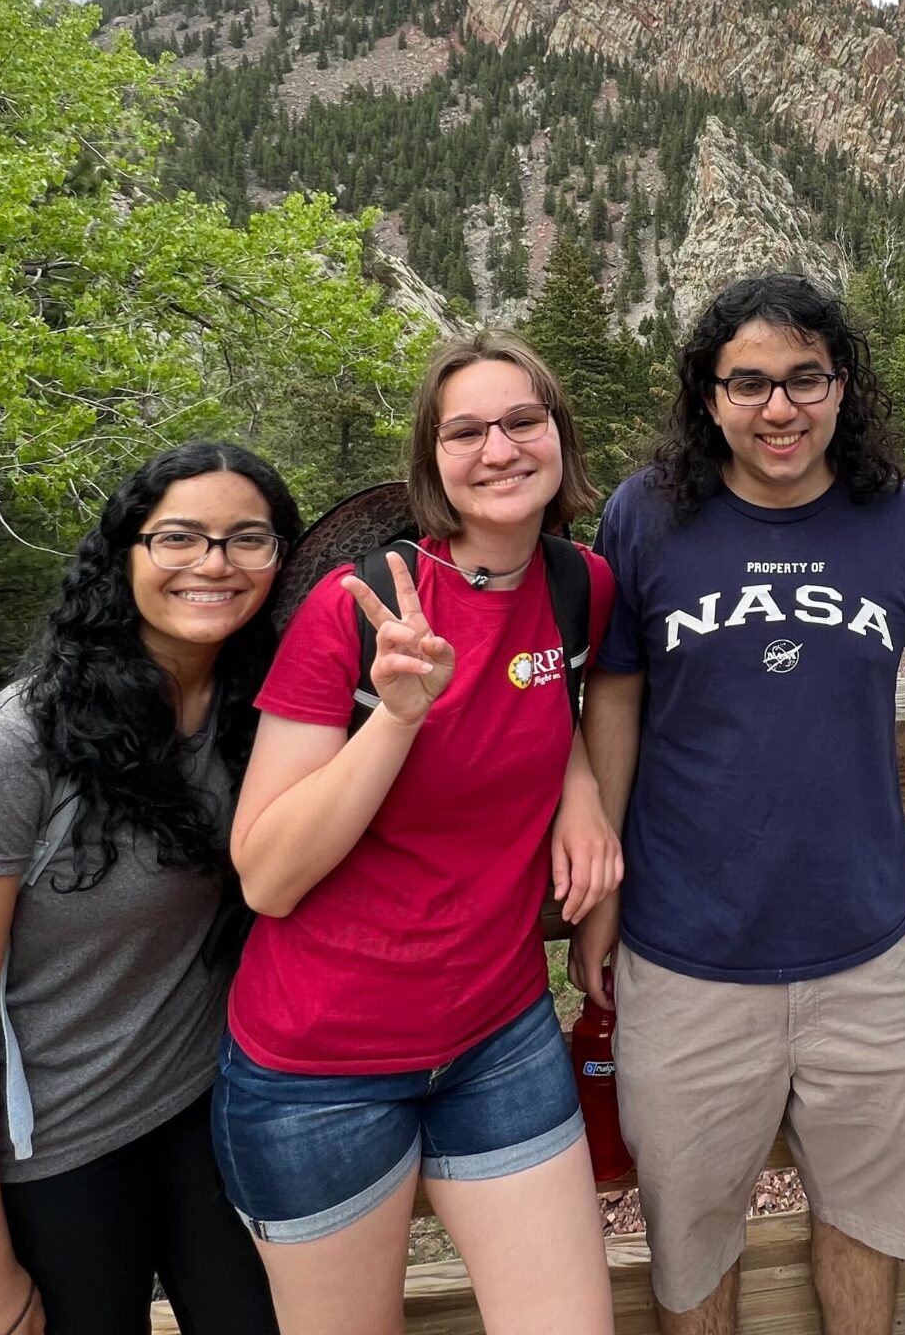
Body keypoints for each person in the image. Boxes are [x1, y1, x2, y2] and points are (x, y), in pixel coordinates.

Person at [572, 272, 905, 1335]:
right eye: (747, 383)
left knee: (868, 1220)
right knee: (691, 1235)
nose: (778, 408)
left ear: (844, 388)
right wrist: (601, 884)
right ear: (707, 395)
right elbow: (612, 691)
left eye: (805, 379)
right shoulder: (647, 516)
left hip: (868, 949)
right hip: (684, 949)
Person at [213, 333, 621, 1335]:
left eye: (522, 422)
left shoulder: (580, 588)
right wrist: (396, 716)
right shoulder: (354, 614)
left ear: (559, 438)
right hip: (322, 1064)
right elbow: (266, 874)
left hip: (500, 1036)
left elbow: (530, 695)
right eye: (466, 431)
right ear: (430, 462)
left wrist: (580, 784)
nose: (499, 449)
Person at [0, 440, 297, 1335]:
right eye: (180, 538)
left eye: (248, 540)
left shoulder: (260, 714)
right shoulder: (16, 749)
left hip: (202, 1111)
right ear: (125, 555)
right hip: (44, 1158)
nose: (215, 564)